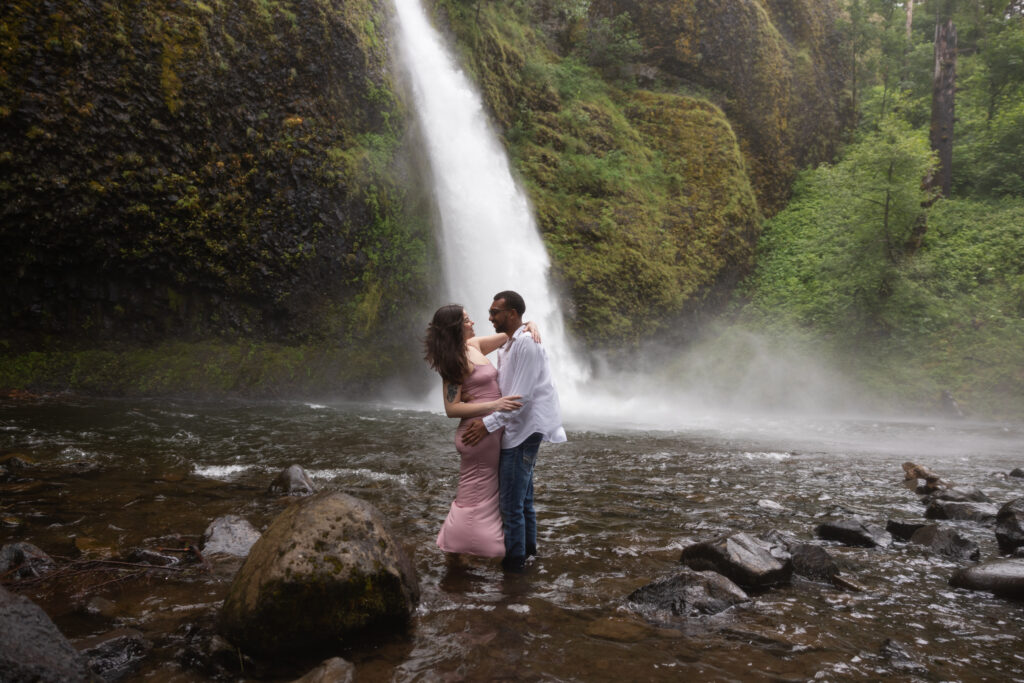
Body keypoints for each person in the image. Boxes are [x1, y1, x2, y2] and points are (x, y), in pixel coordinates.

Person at [462, 290, 566, 572]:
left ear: (511, 314)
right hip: (516, 429)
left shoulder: (527, 345)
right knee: (523, 502)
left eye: (495, 312)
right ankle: (529, 558)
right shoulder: (510, 343)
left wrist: (486, 425)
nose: (489, 317)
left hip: (522, 431)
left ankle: (515, 568)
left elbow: (520, 400)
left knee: (510, 506)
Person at [423, 304, 538, 559]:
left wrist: (530, 325)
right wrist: (495, 405)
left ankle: (465, 544)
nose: (472, 322)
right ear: (456, 327)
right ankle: (470, 545)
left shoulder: (473, 346)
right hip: (477, 434)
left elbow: (510, 332)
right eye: (466, 320)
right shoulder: (455, 360)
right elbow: (452, 409)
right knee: (475, 495)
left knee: (481, 493)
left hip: (489, 430)